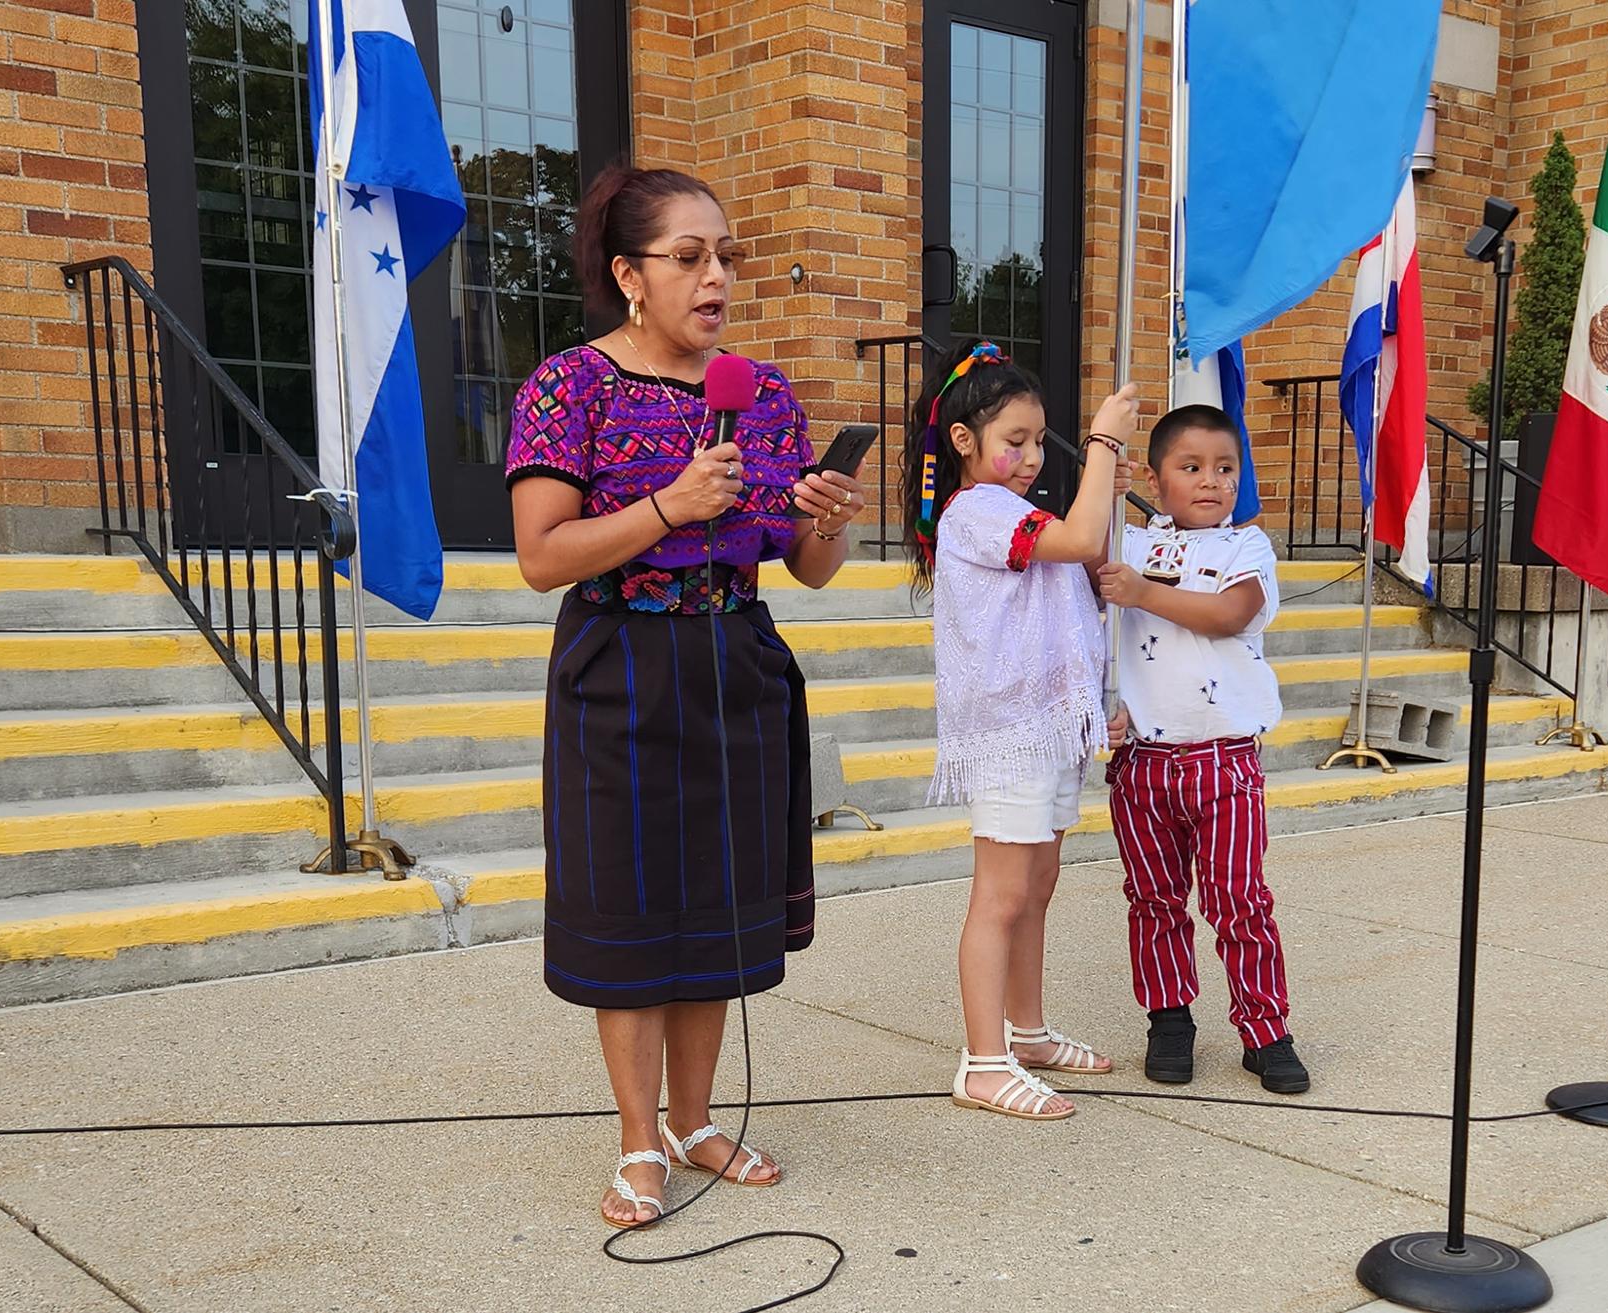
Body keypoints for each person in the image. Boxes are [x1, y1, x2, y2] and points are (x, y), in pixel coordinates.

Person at [504, 164, 868, 1227]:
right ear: (629, 274)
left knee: (713, 904)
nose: (716, 278)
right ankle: (635, 1141)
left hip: (736, 660)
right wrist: (668, 502)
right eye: (688, 257)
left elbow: (808, 565)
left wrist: (829, 512)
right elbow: (541, 555)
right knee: (633, 907)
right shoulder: (570, 387)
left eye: (725, 257)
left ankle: (695, 1118)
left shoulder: (766, 395)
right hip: (622, 663)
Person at [900, 340, 1137, 1121]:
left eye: (1041, 441)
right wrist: (1100, 443)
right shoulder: (977, 510)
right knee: (1001, 895)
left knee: (1037, 885)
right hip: (1009, 730)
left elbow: (1082, 559)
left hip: (1048, 724)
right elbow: (1069, 543)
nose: (1033, 456)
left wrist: (1107, 480)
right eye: (1016, 441)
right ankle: (984, 1060)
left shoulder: (1014, 507)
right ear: (964, 442)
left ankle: (1027, 1032)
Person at [1096, 404, 1311, 1094]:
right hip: (1145, 763)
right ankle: (1170, 1019)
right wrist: (1104, 478)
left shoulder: (1245, 549)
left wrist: (1143, 594)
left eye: (1225, 468)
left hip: (1225, 761)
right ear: (1156, 481)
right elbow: (1085, 587)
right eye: (1191, 468)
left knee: (1240, 899)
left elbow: (1229, 614)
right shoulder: (1126, 544)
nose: (1212, 481)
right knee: (1154, 898)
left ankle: (1265, 1028)